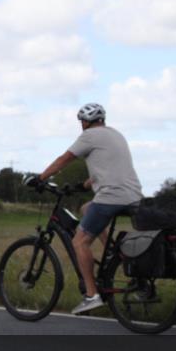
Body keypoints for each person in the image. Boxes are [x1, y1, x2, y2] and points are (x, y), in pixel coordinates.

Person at [28, 103, 143, 315]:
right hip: (134, 197)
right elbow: (107, 170)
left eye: (81, 121)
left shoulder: (89, 136)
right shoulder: (116, 135)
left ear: (85, 122)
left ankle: (92, 295)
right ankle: (112, 252)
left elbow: (64, 159)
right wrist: (82, 186)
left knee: (79, 242)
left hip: (111, 197)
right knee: (86, 208)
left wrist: (40, 178)